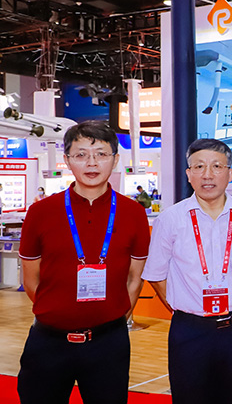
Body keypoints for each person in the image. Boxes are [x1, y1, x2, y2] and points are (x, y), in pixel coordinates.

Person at [17, 121, 151, 404]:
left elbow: (134, 279)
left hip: (108, 344)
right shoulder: (40, 212)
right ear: (67, 160)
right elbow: (30, 279)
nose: (92, 163)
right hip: (48, 342)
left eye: (101, 154)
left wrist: (110, 317)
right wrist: (60, 312)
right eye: (81, 155)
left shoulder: (133, 213)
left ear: (115, 159)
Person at [142, 139, 232, 404]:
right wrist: (185, 307)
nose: (207, 175)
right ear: (189, 174)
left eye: (216, 166)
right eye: (199, 167)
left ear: (230, 173)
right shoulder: (171, 218)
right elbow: (156, 275)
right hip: (190, 332)